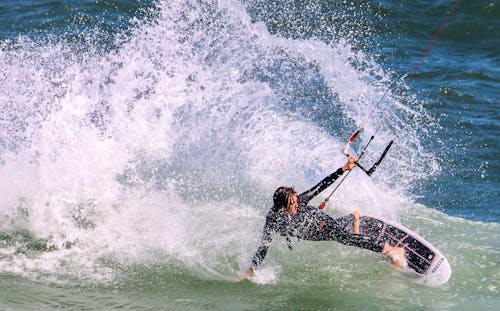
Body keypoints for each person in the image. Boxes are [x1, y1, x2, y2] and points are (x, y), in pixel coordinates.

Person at [238, 156, 406, 282]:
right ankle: (353, 217)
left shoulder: (301, 201)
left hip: (320, 222)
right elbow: (263, 247)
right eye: (292, 204)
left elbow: (321, 185)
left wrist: (344, 168)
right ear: (282, 206)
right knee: (339, 233)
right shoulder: (272, 221)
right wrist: (251, 270)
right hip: (311, 235)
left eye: (296, 202)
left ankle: (391, 250)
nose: (296, 205)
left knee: (344, 238)